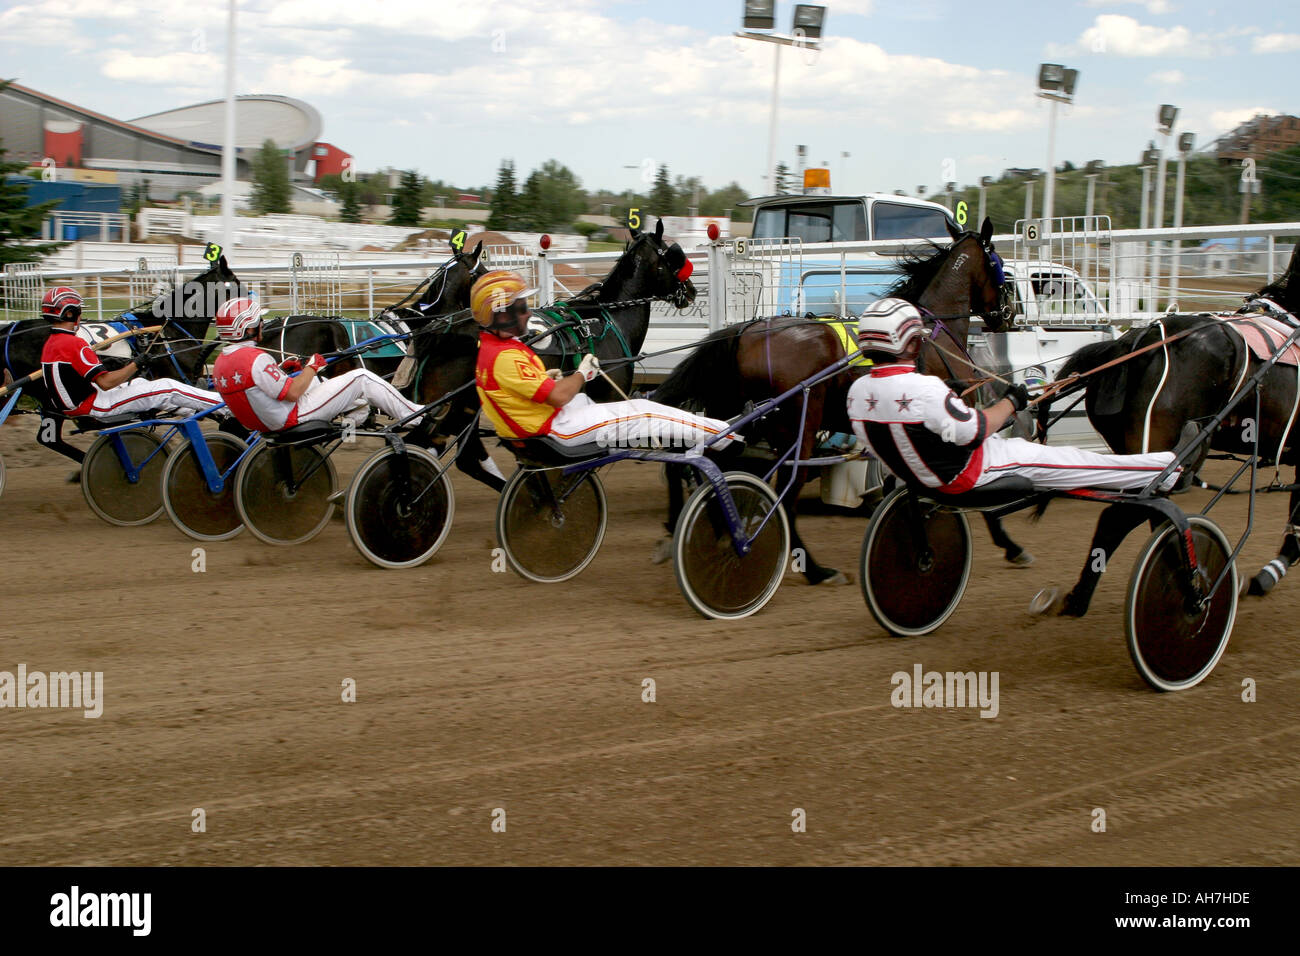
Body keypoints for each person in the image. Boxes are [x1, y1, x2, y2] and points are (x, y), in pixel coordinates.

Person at [847, 298, 1182, 493]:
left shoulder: (858, 392)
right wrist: (1012, 402)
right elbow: (975, 430)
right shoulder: (924, 389)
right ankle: (1166, 470)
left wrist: (949, 393)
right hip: (973, 471)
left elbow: (915, 414)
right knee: (1073, 460)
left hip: (921, 476)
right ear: (912, 343)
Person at [470, 270, 738, 450]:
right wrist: (582, 374)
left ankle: (714, 430)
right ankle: (725, 434)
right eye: (522, 307)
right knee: (642, 412)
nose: (529, 313)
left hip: (545, 421)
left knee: (635, 406)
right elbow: (558, 397)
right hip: (557, 428)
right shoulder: (505, 357)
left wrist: (547, 379)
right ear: (502, 313)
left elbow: (520, 386)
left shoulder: (491, 348)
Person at [211, 297, 426, 433]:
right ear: (247, 329)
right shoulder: (255, 358)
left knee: (321, 381)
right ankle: (418, 417)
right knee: (362, 377)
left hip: (264, 419)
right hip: (291, 416)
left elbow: (259, 385)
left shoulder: (222, 361)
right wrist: (311, 366)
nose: (262, 324)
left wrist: (283, 369)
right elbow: (293, 392)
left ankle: (356, 417)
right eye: (258, 321)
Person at [38, 286, 223, 419]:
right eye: (78, 311)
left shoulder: (50, 343)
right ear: (70, 313)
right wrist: (137, 363)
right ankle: (225, 406)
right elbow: (106, 383)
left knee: (142, 383)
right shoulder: (73, 343)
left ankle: (193, 411)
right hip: (95, 404)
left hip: (75, 404)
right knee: (167, 387)